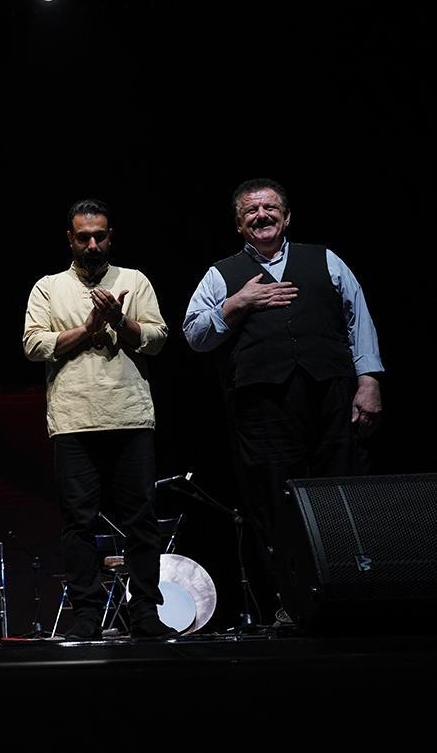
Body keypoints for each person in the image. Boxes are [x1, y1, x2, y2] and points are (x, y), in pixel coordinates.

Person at [183, 178, 384, 613]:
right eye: (251, 211)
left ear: (287, 216)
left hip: (330, 395)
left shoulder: (325, 260)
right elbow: (195, 335)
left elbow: (358, 321)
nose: (262, 216)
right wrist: (239, 302)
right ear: (239, 224)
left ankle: (352, 592)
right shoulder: (222, 274)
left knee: (340, 490)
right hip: (263, 407)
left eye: (270, 208)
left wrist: (368, 382)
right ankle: (289, 603)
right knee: (273, 500)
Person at [23, 200, 174, 639]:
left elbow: (157, 339)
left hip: (129, 415)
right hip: (74, 418)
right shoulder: (48, 287)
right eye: (84, 237)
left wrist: (119, 321)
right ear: (69, 239)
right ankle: (87, 614)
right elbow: (34, 345)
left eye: (100, 236)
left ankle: (145, 611)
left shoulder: (133, 280)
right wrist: (90, 327)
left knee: (141, 520)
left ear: (111, 237)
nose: (93, 244)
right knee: (79, 522)